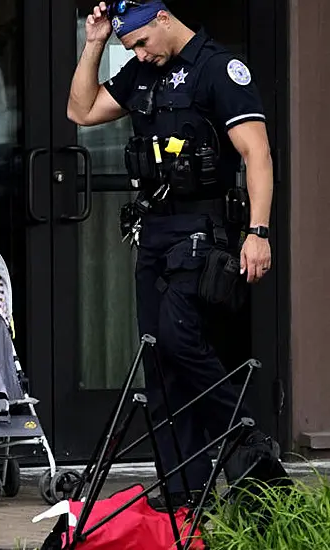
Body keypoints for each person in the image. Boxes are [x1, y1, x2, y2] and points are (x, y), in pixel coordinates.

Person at [66, 1, 283, 509]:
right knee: (159, 362)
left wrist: (259, 231)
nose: (138, 54)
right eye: (128, 48)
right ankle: (184, 492)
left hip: (203, 230)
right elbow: (81, 110)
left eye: (140, 42)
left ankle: (247, 436)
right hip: (155, 230)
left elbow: (258, 154)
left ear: (162, 18)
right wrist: (94, 43)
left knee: (179, 338)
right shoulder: (143, 72)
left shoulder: (218, 68)